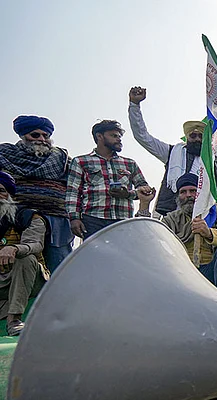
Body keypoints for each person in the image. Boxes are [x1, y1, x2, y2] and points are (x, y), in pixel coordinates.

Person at [127, 86, 217, 215]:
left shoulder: (215, 162)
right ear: (187, 138)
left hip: (205, 218)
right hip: (173, 216)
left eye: (201, 136)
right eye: (193, 136)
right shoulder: (171, 153)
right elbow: (142, 136)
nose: (197, 139)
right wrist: (135, 105)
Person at [138, 174, 217, 294]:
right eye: (183, 192)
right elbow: (152, 242)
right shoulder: (172, 219)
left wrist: (209, 233)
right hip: (182, 275)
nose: (188, 195)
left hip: (211, 272)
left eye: (193, 191)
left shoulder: (216, 213)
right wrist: (144, 205)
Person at [0, 115, 73, 272]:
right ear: (23, 135)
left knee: (60, 270)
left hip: (57, 222)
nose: (41, 139)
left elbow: (80, 184)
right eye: (35, 135)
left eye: (45, 135)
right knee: (16, 265)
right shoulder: (4, 155)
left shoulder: (62, 159)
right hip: (16, 219)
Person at [66, 120, 152, 239]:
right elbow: (73, 193)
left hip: (123, 220)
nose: (119, 139)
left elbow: (144, 191)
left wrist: (127, 194)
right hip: (93, 219)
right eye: (114, 135)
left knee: (123, 256)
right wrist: (74, 218)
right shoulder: (81, 161)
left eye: (119, 136)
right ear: (99, 136)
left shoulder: (130, 163)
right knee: (96, 257)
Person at [0, 172, 48, 336]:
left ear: (10, 195)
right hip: (1, 280)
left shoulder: (29, 216)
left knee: (26, 258)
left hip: (28, 279)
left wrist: (14, 249)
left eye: (1, 190)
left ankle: (14, 320)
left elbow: (35, 244)